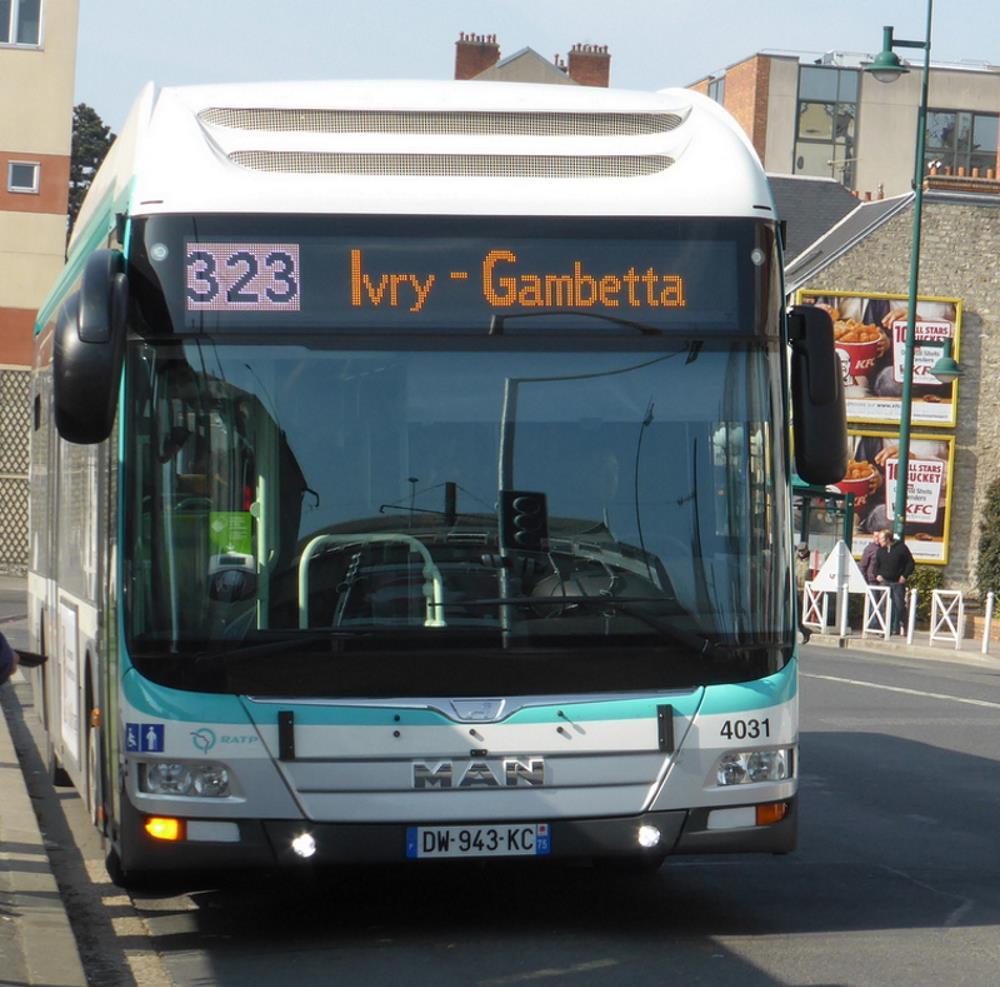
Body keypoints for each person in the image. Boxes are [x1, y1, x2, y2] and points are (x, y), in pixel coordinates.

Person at [874, 528, 915, 635]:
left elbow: (910, 563)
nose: (879, 541)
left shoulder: (901, 548)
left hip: (897, 582)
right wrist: (877, 575)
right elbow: (876, 566)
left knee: (900, 605)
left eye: (881, 539)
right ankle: (884, 629)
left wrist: (904, 576)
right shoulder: (880, 551)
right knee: (884, 606)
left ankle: (904, 627)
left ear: (888, 538)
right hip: (884, 581)